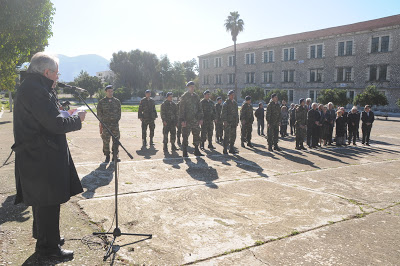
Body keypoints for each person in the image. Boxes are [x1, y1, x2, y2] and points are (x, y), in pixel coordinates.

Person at [12, 52, 86, 259]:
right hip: (41, 157)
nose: (58, 78)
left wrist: (66, 115)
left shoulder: (35, 87)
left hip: (39, 154)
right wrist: (77, 119)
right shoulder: (35, 90)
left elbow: (48, 117)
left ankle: (46, 236)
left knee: (43, 201)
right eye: (57, 73)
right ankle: (48, 249)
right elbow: (54, 124)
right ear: (47, 72)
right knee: (47, 201)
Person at [97, 85, 121, 162]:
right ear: (106, 92)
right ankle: (107, 155)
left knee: (116, 141)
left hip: (115, 125)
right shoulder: (101, 102)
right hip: (105, 125)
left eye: (112, 91)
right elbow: (99, 114)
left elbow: (119, 112)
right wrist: (103, 122)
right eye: (109, 91)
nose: (111, 93)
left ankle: (115, 156)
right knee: (106, 141)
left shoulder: (117, 101)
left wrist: (116, 120)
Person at [179, 81, 204, 157]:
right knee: (185, 136)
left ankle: (196, 150)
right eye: (191, 87)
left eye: (193, 86)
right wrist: (182, 120)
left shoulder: (196, 96)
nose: (192, 88)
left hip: (195, 120)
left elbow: (200, 108)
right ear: (188, 87)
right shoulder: (184, 96)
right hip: (187, 120)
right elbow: (181, 109)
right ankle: (185, 151)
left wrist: (201, 118)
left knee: (196, 135)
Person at [221, 90, 239, 154]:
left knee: (233, 136)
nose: (232, 96)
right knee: (226, 136)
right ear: (228, 96)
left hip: (233, 122)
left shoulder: (235, 103)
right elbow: (223, 113)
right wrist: (225, 121)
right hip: (228, 122)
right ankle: (225, 149)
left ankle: (231, 148)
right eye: (231, 95)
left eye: (233, 95)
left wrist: (237, 121)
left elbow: (237, 113)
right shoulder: (226, 104)